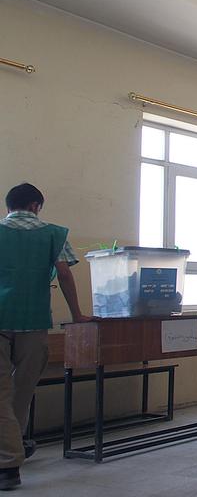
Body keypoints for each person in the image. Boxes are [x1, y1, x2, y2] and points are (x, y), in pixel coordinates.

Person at [0, 183, 91, 490]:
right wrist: (77, 315)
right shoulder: (55, 233)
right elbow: (64, 274)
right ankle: (13, 451)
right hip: (34, 321)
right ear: (37, 206)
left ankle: (10, 461)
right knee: (22, 391)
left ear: (9, 206)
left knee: (0, 395)